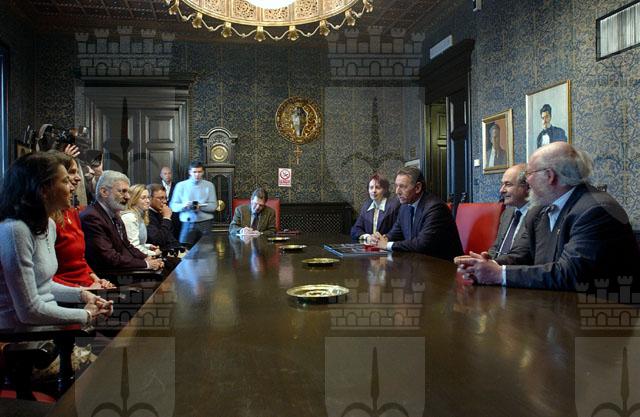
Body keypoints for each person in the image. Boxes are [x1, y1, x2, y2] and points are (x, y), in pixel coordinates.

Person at [455, 142, 640, 292]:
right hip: (553, 308)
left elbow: (570, 274)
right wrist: (484, 265)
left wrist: (498, 274)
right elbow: (521, 256)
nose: (527, 181)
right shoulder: (538, 212)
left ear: (550, 176)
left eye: (529, 173)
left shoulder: (596, 211)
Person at [0, 152, 112, 327]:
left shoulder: (49, 225)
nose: (72, 186)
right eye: (65, 181)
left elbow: (44, 286)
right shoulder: (15, 230)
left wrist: (83, 295)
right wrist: (86, 314)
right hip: (21, 335)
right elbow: (28, 311)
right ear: (43, 190)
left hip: (48, 328)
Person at [50, 152, 114, 289]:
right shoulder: (47, 220)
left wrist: (97, 279)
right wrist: (84, 291)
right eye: (72, 172)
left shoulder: (72, 213)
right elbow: (45, 279)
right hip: (68, 292)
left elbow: (80, 260)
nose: (79, 178)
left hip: (87, 285)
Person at [371, 167, 463, 261]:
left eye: (402, 186)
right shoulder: (404, 207)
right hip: (418, 263)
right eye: (396, 186)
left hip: (443, 266)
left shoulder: (435, 208)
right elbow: (395, 233)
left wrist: (387, 245)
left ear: (417, 188)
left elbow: (422, 244)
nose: (397, 191)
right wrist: (383, 238)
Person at [81, 170, 164, 271]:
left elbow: (128, 246)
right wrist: (146, 264)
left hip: (120, 270)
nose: (128, 197)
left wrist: (146, 257)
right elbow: (109, 257)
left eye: (128, 192)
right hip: (107, 275)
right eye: (123, 191)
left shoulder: (115, 215)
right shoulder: (92, 217)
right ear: (104, 192)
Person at [485, 163, 529, 258]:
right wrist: (483, 259)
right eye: (502, 184)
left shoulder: (538, 216)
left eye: (508, 184)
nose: (501, 190)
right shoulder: (507, 213)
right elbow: (496, 248)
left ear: (527, 187)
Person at [170, 161, 217, 246]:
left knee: (206, 250)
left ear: (203, 172)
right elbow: (173, 206)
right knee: (184, 249)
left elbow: (213, 206)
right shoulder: (180, 186)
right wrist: (183, 206)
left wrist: (201, 206)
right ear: (190, 172)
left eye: (199, 172)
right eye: (194, 172)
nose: (197, 174)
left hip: (205, 223)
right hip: (187, 223)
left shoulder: (209, 185)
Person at [350, 174, 400, 242]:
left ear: (385, 190)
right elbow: (355, 229)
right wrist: (368, 237)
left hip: (387, 245)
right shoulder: (366, 206)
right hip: (370, 246)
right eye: (371, 188)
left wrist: (383, 238)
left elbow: (397, 231)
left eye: (377, 187)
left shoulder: (393, 206)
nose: (374, 191)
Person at [120, 184, 161, 257]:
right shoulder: (130, 217)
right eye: (143, 198)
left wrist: (148, 246)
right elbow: (133, 247)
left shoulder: (138, 215)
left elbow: (137, 244)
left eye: (148, 197)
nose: (148, 201)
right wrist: (154, 253)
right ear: (134, 199)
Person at [147, 183, 181, 251]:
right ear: (149, 198)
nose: (165, 201)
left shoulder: (161, 212)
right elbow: (159, 240)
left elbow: (170, 237)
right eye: (161, 198)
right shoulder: (146, 216)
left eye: (165, 198)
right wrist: (166, 218)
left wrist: (180, 248)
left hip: (173, 250)